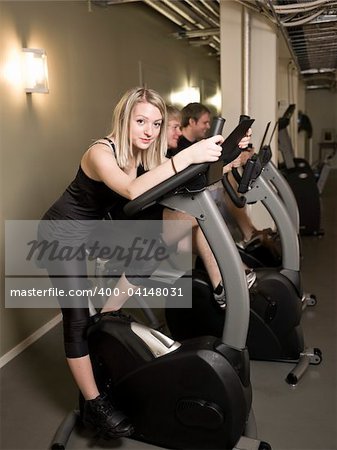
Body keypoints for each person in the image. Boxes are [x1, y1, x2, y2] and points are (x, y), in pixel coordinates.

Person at [37, 87, 224, 440]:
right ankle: (94, 405)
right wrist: (185, 157)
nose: (149, 130)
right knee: (77, 318)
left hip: (93, 232)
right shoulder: (99, 152)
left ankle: (109, 314)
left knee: (155, 242)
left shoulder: (142, 156)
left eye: (155, 123)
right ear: (124, 119)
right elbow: (132, 190)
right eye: (141, 121)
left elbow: (168, 184)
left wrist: (225, 160)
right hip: (60, 235)